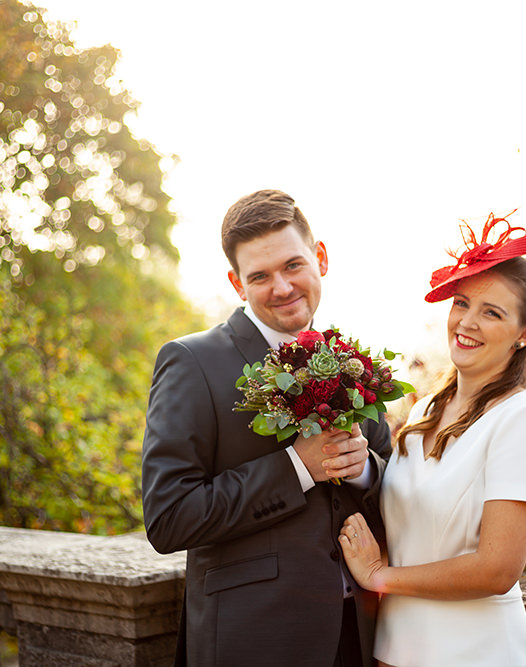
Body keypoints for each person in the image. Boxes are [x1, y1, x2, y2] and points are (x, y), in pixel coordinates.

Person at [142, 189, 393, 667]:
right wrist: (297, 466)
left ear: (320, 257)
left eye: (293, 266)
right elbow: (168, 517)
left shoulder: (352, 360)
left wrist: (363, 470)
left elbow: (394, 483)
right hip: (253, 639)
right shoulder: (192, 362)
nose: (281, 287)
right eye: (260, 276)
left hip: (359, 637)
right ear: (238, 284)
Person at [338, 213, 526, 667]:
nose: (467, 322)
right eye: (462, 303)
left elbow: (496, 570)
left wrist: (381, 576)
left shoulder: (521, 421)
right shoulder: (425, 412)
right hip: (395, 649)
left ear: (525, 334)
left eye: (492, 312)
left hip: (474, 652)